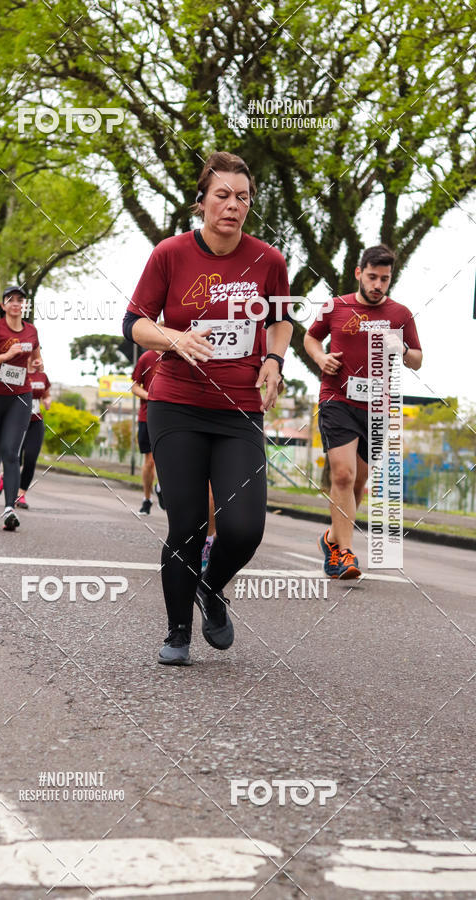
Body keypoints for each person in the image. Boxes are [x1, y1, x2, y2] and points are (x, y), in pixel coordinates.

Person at [123, 150, 293, 665]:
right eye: (222, 195)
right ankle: (177, 632)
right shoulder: (170, 254)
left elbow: (281, 320)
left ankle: (210, 586)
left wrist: (274, 359)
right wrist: (173, 338)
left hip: (239, 408)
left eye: (243, 197)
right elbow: (134, 323)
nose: (233, 205)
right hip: (177, 405)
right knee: (189, 524)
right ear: (201, 202)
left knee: (244, 528)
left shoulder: (269, 261)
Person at [304, 244, 422, 579]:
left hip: (376, 408)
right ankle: (345, 553)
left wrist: (402, 348)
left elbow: (417, 359)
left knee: (358, 483)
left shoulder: (400, 314)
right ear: (359, 273)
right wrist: (321, 358)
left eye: (384, 279)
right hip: (337, 399)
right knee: (343, 475)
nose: (377, 285)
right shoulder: (336, 306)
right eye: (372, 277)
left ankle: (331, 538)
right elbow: (311, 338)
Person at [0, 285, 42, 531]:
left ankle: (9, 509)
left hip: (20, 396)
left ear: (24, 305)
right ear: (4, 305)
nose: (16, 303)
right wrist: (6, 356)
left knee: (11, 453)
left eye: (20, 300)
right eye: (11, 299)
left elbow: (36, 359)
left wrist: (37, 363)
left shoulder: (32, 331)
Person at [14, 362, 51, 509]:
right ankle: (4, 477)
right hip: (17, 421)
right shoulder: (16, 371)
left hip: (35, 422)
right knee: (15, 459)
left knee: (30, 459)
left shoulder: (42, 376)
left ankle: (21, 495)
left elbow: (47, 395)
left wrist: (47, 402)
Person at [131, 349, 162, 514]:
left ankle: (161, 488)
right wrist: (151, 396)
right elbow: (134, 386)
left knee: (168, 459)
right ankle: (147, 499)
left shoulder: (181, 354)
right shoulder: (147, 357)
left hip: (174, 417)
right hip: (147, 416)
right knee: (150, 461)